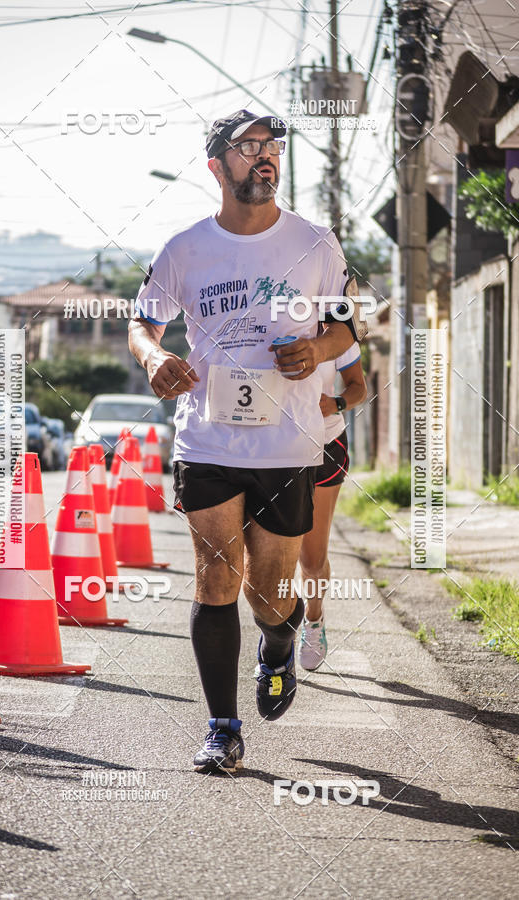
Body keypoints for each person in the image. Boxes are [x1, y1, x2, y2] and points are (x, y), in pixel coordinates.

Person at [128, 109, 358, 774]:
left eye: (272, 146)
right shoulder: (185, 248)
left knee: (270, 591)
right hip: (206, 440)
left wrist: (316, 346)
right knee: (215, 576)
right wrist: (152, 360)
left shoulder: (316, 243)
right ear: (217, 167)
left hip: (288, 447)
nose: (266, 156)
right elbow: (144, 324)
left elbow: (346, 333)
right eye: (249, 146)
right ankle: (222, 729)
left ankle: (279, 645)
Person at [298, 342, 367, 670]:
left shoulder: (336, 330)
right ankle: (275, 634)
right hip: (271, 446)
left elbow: (358, 388)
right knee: (268, 556)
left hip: (326, 442)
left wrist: (335, 403)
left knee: (311, 561)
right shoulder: (267, 315)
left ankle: (313, 618)